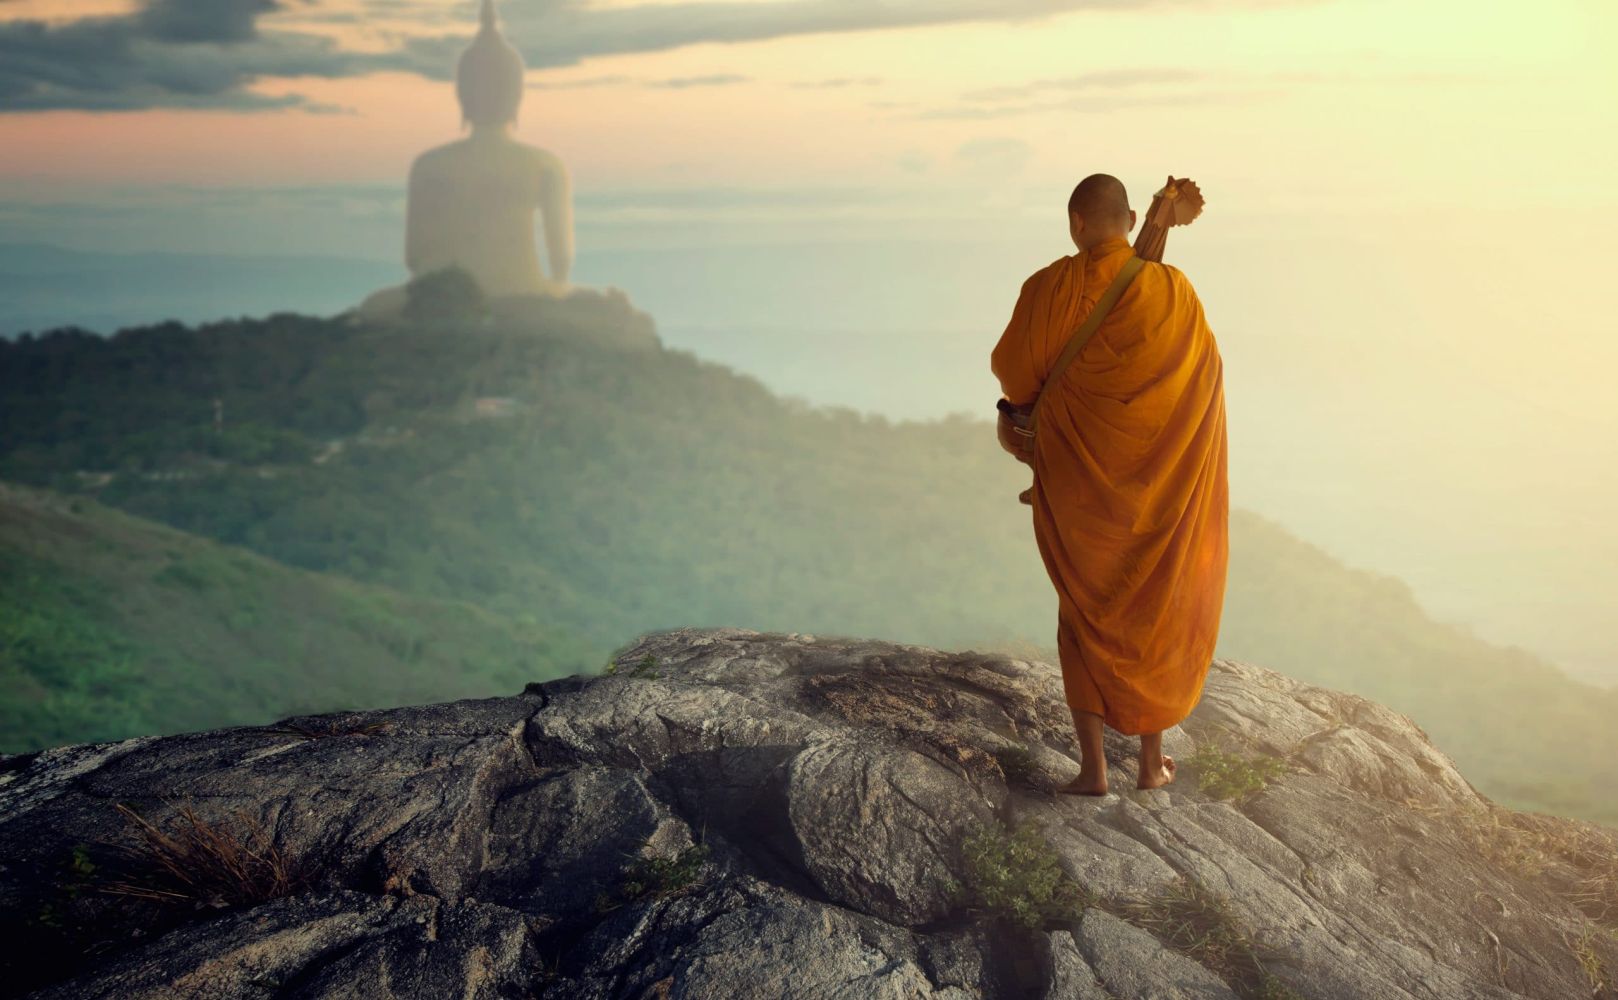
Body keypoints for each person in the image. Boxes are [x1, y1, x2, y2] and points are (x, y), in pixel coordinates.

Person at [989, 173, 1229, 794]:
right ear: (1128, 220)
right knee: (1151, 605)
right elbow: (1200, 386)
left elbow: (1015, 376)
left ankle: (1093, 770)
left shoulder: (1048, 287)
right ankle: (1150, 765)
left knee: (1084, 610)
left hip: (1077, 487)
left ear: (1076, 223)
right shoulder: (1173, 291)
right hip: (1156, 490)